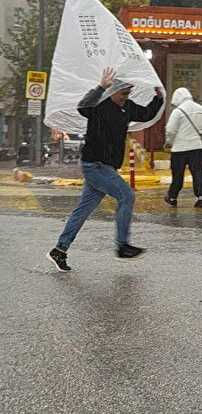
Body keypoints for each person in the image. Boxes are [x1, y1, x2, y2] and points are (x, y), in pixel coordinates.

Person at [47, 67, 164, 272]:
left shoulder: (127, 108)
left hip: (106, 167)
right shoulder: (99, 106)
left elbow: (146, 114)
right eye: (122, 94)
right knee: (127, 196)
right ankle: (122, 246)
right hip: (95, 165)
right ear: (112, 92)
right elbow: (82, 107)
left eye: (128, 94)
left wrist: (158, 99)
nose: (125, 98)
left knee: (83, 210)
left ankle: (60, 249)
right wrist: (101, 87)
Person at [164, 88, 202, 208]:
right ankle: (201, 196)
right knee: (198, 171)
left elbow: (170, 130)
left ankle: (172, 196)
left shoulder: (178, 111)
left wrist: (170, 141)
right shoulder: (201, 109)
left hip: (179, 148)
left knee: (178, 174)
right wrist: (201, 137)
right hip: (196, 147)